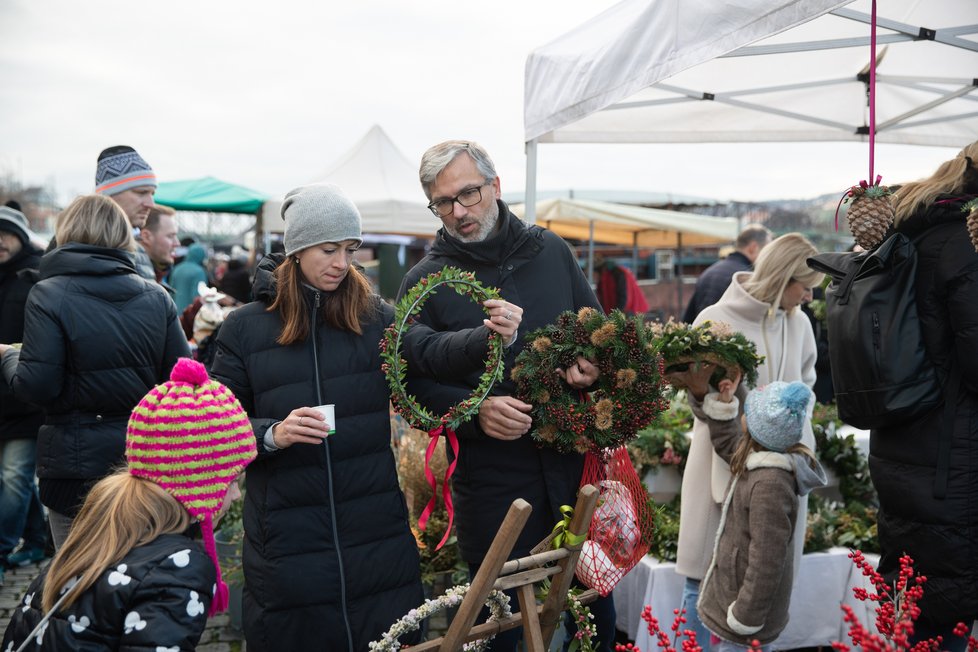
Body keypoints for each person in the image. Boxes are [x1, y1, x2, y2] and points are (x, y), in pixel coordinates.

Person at [397, 140, 616, 652]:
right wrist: (474, 415)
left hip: (572, 468)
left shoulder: (550, 251)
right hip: (494, 486)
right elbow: (410, 386)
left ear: (495, 186)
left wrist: (591, 369)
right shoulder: (426, 281)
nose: (458, 211)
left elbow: (597, 333)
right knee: (501, 629)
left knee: (593, 616)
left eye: (468, 193)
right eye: (442, 202)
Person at [210, 183, 423, 652]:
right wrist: (274, 434)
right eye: (329, 249)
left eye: (350, 249)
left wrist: (490, 339)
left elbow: (430, 359)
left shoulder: (376, 317)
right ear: (298, 249)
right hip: (288, 535)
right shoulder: (245, 327)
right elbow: (216, 423)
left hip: (373, 527)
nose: (342, 262)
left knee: (384, 633)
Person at [2, 357, 257, 651]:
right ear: (197, 479)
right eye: (231, 480)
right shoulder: (176, 569)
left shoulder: (101, 532)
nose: (237, 494)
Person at [0, 194, 190, 549]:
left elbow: (37, 385)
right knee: (136, 576)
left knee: (76, 583)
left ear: (67, 231)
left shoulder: (48, 294)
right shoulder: (157, 296)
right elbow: (183, 384)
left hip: (75, 470)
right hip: (142, 463)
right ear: (123, 236)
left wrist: (8, 359)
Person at [671, 233, 822, 649]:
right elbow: (695, 397)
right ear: (781, 277)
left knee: (763, 582)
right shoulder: (715, 319)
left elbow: (806, 392)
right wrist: (717, 403)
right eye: (804, 285)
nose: (809, 296)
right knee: (701, 581)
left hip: (779, 479)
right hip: (718, 472)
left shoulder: (801, 324)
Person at [867, 144, 978, 649]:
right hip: (953, 465)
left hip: (907, 450)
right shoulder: (965, 249)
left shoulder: (909, 237)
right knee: (946, 623)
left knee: (921, 619)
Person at [692, 377, 825, 652]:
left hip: (743, 619)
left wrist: (745, 616)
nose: (743, 415)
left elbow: (767, 559)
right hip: (734, 598)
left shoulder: (770, 485)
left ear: (755, 429)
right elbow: (731, 444)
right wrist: (725, 405)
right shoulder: (759, 457)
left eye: (747, 412)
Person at [0, 204, 47, 586]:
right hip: (2, 398)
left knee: (14, 478)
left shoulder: (36, 276)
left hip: (25, 395)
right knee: (15, 479)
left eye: (6, 232)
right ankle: (35, 539)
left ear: (20, 235)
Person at [682, 224, 772, 323]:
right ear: (753, 247)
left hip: (702, 333)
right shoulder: (746, 277)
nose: (769, 257)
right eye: (767, 250)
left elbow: (689, 319)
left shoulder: (709, 272)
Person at [94, 145, 158, 280]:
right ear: (108, 196)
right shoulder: (75, 248)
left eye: (152, 194)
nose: (151, 204)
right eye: (141, 192)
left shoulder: (137, 249)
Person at [139, 203, 180, 285]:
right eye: (170, 236)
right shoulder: (135, 280)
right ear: (146, 237)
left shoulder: (152, 276)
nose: (177, 243)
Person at [170, 242, 209, 312]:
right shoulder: (199, 271)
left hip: (175, 312)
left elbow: (171, 292)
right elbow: (198, 297)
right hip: (190, 316)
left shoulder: (177, 268)